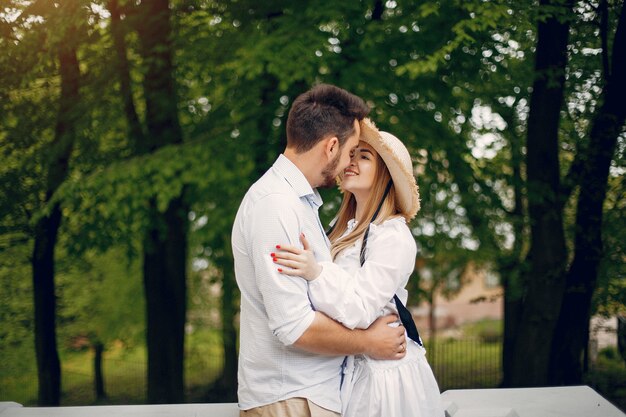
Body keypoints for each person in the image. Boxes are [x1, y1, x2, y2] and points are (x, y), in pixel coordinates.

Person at [232, 84, 408, 417]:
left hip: (307, 398)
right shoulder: (276, 207)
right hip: (290, 400)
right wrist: (369, 343)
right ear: (330, 147)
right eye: (351, 150)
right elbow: (293, 326)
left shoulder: (300, 205)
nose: (349, 163)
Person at [273, 119, 444, 417]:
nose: (350, 162)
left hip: (383, 382)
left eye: (364, 157)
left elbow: (360, 310)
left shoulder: (392, 236)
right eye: (351, 155)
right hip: (348, 369)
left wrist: (315, 272)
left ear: (385, 175)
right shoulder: (340, 231)